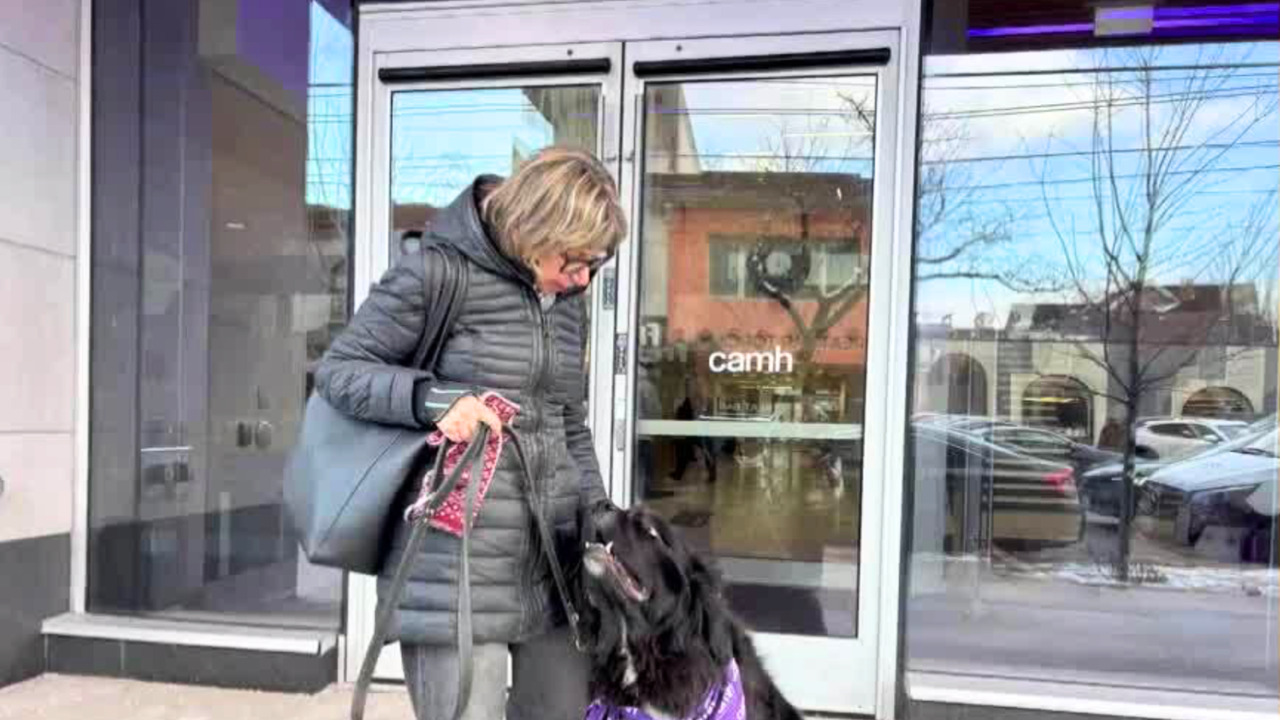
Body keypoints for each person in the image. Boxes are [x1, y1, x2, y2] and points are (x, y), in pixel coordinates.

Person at [313, 147, 626, 720]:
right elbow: (339, 372)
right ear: (536, 228)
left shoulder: (564, 301)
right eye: (575, 260)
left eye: (596, 265)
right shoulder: (435, 272)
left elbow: (568, 424)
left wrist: (600, 516)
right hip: (452, 566)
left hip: (551, 564)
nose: (582, 278)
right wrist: (433, 400)